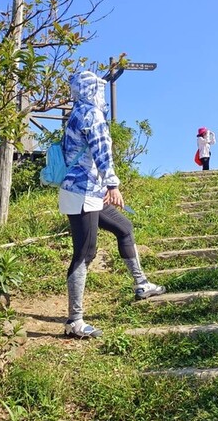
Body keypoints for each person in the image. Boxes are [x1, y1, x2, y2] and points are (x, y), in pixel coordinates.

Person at [59, 70, 165, 339]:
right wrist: (113, 184)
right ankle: (75, 321)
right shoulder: (91, 115)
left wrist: (102, 186)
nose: (101, 95)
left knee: (124, 227)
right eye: (98, 89)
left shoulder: (76, 112)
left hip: (88, 192)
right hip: (82, 193)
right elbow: (102, 151)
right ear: (91, 90)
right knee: (85, 252)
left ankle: (141, 284)